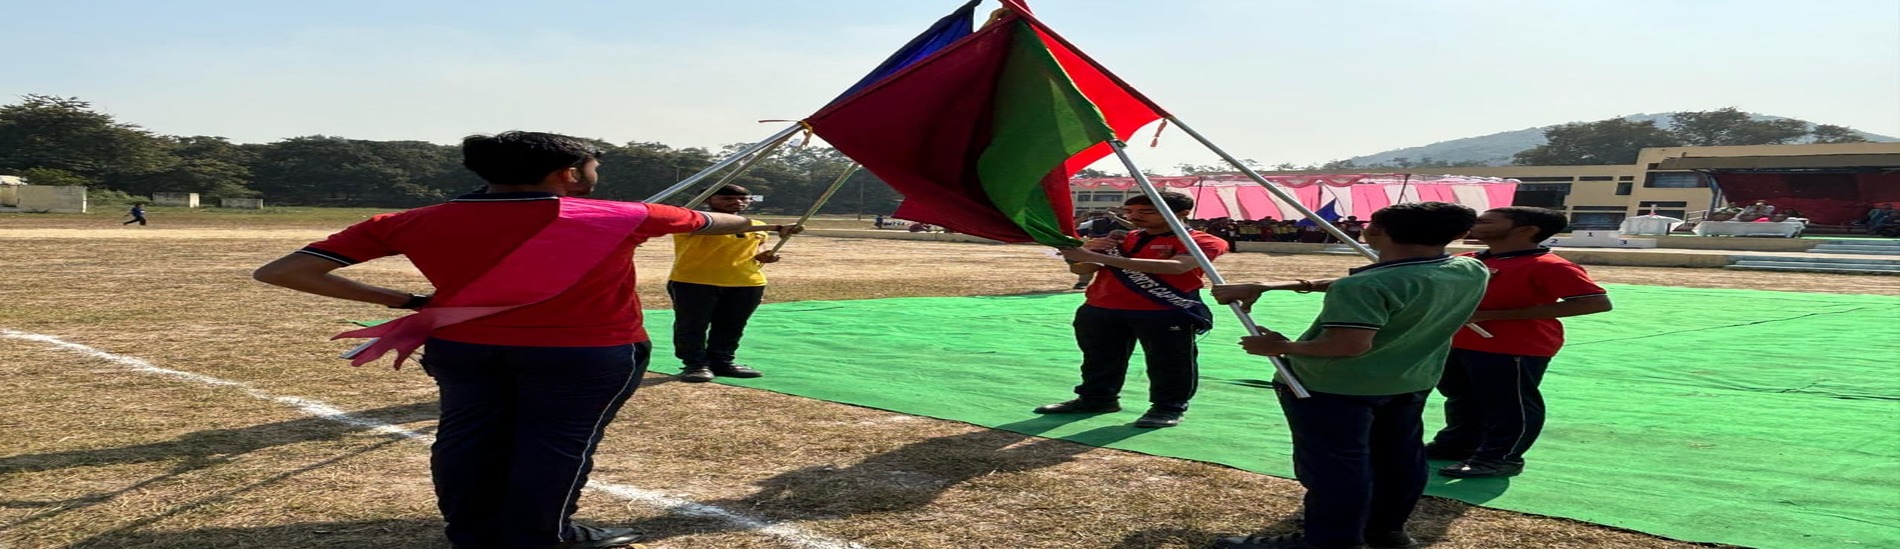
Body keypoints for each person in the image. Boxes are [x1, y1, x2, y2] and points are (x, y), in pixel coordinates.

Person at [251, 131, 787, 549]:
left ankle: (472, 534)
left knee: (465, 438)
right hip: (586, 353)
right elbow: (713, 222)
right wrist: (747, 216)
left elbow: (282, 272)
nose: (596, 175)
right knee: (555, 444)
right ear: (570, 173)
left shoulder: (413, 221)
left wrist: (405, 302)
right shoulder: (624, 216)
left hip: (462, 348)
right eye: (593, 167)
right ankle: (543, 537)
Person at [1209, 202, 1489, 549]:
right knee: (1399, 460)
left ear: (1372, 232)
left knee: (1337, 468)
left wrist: (1281, 347)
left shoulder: (1366, 287)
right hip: (1410, 380)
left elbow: (1349, 344)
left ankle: (1331, 540)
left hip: (1334, 388)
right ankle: (1385, 531)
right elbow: (1382, 282)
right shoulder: (1469, 269)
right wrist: (1271, 285)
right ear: (1460, 234)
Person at [1427, 207, 1611, 479]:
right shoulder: (1469, 260)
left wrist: (1494, 316)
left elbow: (1595, 302)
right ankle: (1458, 444)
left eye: (1486, 221)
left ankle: (1501, 457)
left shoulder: (1550, 266)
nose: (1475, 225)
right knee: (1462, 397)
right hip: (1459, 342)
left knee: (1509, 403)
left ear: (1526, 230)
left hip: (1514, 346)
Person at [1041, 192, 1229, 428]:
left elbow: (1178, 267)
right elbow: (1082, 269)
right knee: (1098, 359)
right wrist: (1082, 251)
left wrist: (1093, 255)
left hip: (1163, 309)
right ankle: (1096, 399)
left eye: (1146, 212)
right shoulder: (1122, 238)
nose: (1134, 217)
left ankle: (1168, 407)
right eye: (1130, 211)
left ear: (1181, 214)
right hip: (1101, 306)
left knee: (1169, 362)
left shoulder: (1204, 240)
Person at [668, 184, 800, 382]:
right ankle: (694, 364)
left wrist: (765, 256)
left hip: (746, 282)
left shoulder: (756, 225)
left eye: (743, 199)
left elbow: (756, 251)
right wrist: (775, 227)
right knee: (692, 325)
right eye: (727, 199)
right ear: (708, 199)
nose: (737, 203)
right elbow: (721, 227)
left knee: (732, 326)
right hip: (695, 281)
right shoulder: (693, 220)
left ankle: (722, 361)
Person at [1073, 211, 1137, 289]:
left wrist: (1115, 218)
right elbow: (1075, 227)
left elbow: (1135, 227)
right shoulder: (1098, 222)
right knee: (1089, 263)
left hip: (1119, 250)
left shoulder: (1129, 221)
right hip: (1097, 247)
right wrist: (1081, 219)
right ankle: (1083, 282)